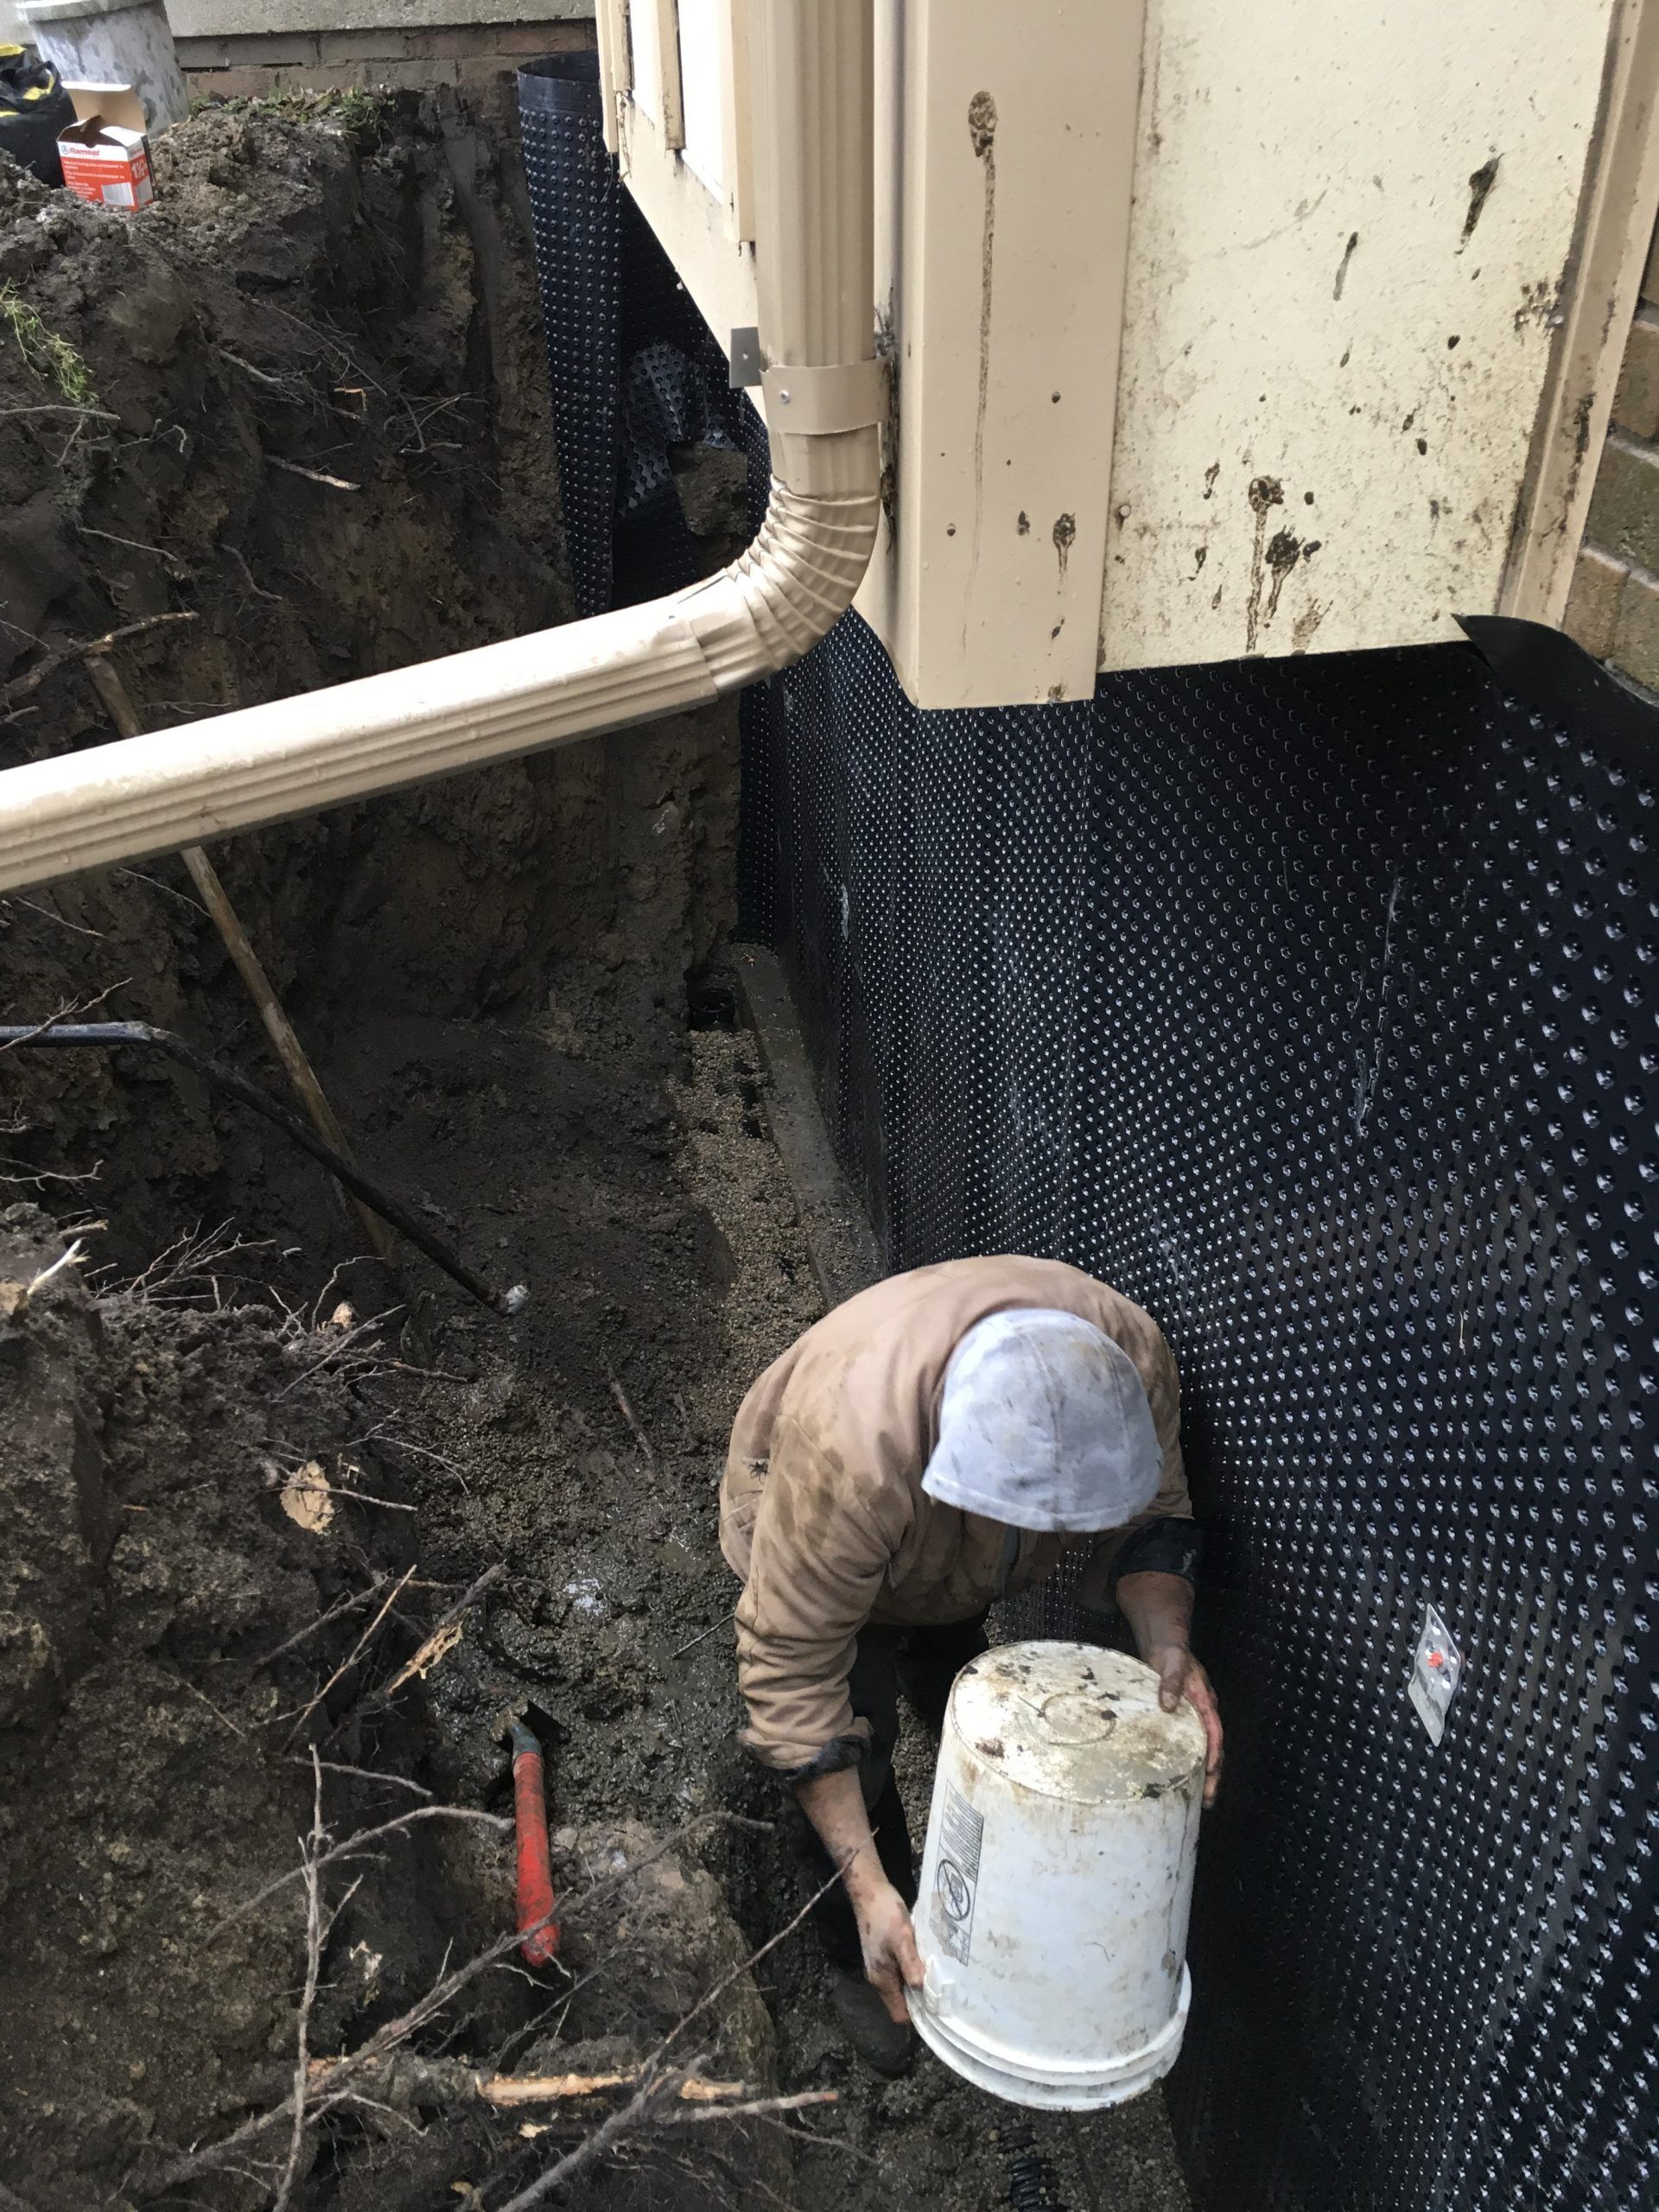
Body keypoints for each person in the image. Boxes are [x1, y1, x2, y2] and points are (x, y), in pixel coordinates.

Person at [720, 1255, 1223, 2073]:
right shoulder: (847, 1458)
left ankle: (940, 1673)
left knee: (951, 1648)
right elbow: (794, 1682)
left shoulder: (1129, 1361)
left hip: (941, 1546)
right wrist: (868, 1890)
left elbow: (1157, 1521)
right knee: (858, 1731)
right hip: (810, 1505)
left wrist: (1168, 1645)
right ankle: (860, 1950)